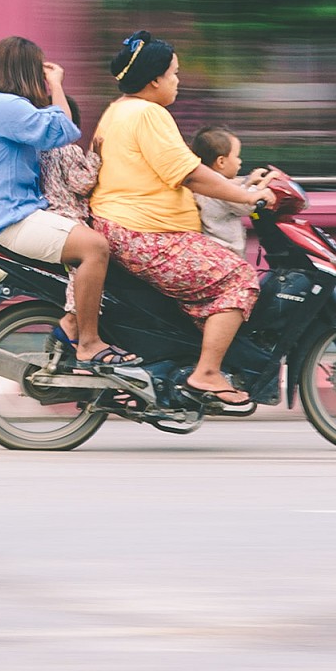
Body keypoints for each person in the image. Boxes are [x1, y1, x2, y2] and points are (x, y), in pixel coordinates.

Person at [90, 33, 275, 409]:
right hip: (145, 233)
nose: (178, 80)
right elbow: (189, 172)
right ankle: (206, 372)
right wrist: (246, 195)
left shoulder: (118, 110)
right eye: (174, 73)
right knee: (239, 277)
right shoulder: (148, 114)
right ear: (155, 78)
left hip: (125, 227)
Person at [0, 36, 129, 369]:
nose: (43, 79)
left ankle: (78, 328)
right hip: (7, 217)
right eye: (39, 70)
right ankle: (88, 342)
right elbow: (64, 130)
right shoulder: (5, 106)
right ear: (25, 71)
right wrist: (57, 85)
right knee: (94, 248)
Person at [190, 125, 262, 255]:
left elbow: (236, 191)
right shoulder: (218, 187)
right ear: (221, 162)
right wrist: (262, 188)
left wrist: (249, 181)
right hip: (225, 251)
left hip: (214, 248)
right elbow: (246, 206)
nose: (240, 161)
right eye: (237, 156)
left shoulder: (206, 181)